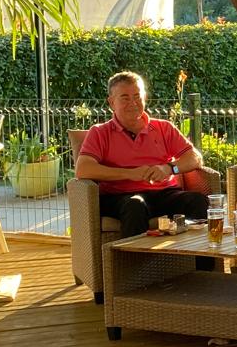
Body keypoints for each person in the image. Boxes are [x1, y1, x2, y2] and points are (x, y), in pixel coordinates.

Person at [75, 71, 209, 236]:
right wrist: (130, 174)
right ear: (111, 102)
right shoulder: (100, 132)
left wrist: (169, 168)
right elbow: (83, 169)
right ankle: (133, 261)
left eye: (137, 96)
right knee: (135, 205)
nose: (133, 102)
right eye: (125, 98)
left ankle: (198, 261)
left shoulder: (163, 128)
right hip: (120, 196)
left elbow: (195, 157)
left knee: (198, 201)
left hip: (163, 193)